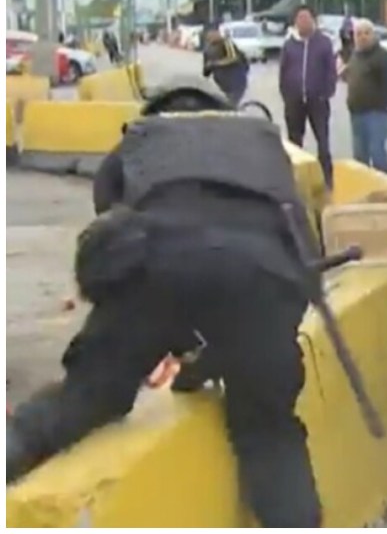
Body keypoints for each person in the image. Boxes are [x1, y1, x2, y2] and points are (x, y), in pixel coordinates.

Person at [5, 79, 328, 527]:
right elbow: (303, 249)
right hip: (266, 277)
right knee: (268, 430)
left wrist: (135, 336)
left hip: (156, 265)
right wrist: (227, 353)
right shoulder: (262, 146)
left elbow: (111, 227)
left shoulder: (141, 141)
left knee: (84, 400)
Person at [280, 4, 338, 189]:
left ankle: (327, 180)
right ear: (295, 22)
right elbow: (283, 72)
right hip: (294, 101)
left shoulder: (323, 43)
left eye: (306, 18)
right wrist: (287, 95)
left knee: (323, 141)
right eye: (300, 18)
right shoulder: (289, 45)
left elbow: (331, 71)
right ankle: (295, 180)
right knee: (295, 142)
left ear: (314, 20)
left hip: (318, 101)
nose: (303, 21)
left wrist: (326, 92)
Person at [342, 18, 387, 174]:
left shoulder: (383, 57)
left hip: (375, 114)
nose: (363, 37)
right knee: (360, 156)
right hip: (356, 113)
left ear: (373, 35)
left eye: (367, 33)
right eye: (359, 34)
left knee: (377, 153)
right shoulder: (355, 55)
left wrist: (381, 104)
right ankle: (365, 188)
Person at [202, 26, 250, 106]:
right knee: (224, 105)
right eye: (208, 36)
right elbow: (206, 72)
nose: (210, 37)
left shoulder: (227, 43)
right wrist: (207, 67)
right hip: (221, 85)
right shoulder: (207, 50)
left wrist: (215, 64)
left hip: (236, 81)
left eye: (213, 33)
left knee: (231, 104)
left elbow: (234, 58)